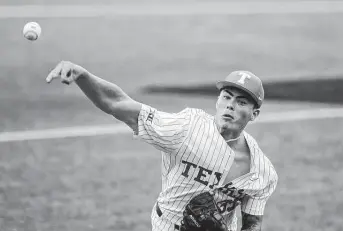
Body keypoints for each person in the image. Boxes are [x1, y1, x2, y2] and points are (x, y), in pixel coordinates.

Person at [46, 61, 278, 231]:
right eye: (226, 97)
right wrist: (83, 75)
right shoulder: (187, 127)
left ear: (254, 114)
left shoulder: (262, 172)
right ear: (217, 100)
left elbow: (252, 223)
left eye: (241, 102)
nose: (230, 105)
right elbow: (118, 104)